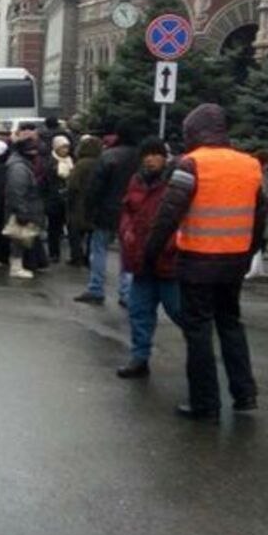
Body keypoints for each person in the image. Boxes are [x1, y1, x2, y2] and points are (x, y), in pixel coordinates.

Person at [145, 104, 265, 420]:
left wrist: (150, 252)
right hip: (234, 261)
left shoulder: (191, 165)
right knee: (231, 324)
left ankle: (205, 403)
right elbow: (260, 217)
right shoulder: (250, 164)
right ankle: (245, 394)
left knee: (198, 332)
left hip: (197, 260)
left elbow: (168, 214)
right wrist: (248, 253)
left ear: (194, 132)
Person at [116, 138, 181, 378]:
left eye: (155, 154)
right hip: (141, 260)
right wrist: (126, 231)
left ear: (165, 157)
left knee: (178, 310)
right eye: (146, 155)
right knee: (139, 311)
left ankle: (201, 354)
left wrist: (172, 244)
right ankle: (139, 358)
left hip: (168, 260)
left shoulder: (175, 182)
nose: (150, 159)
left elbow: (182, 217)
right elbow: (127, 211)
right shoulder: (137, 181)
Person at [77, 123, 140, 306]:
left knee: (99, 250)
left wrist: (89, 210)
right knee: (127, 253)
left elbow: (94, 188)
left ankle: (96, 288)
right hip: (131, 213)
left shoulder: (108, 156)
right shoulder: (141, 158)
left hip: (106, 211)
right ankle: (127, 293)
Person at [4, 135, 47, 279]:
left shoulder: (21, 165)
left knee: (23, 239)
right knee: (19, 238)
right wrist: (22, 212)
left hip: (25, 207)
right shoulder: (19, 168)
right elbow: (16, 192)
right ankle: (16, 267)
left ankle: (21, 265)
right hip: (22, 208)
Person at [66, 136, 102, 266]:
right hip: (95, 203)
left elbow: (73, 185)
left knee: (75, 233)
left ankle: (76, 257)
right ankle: (89, 257)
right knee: (92, 234)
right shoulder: (101, 162)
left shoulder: (81, 164)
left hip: (79, 202)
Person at [45, 136, 74, 263]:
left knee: (69, 227)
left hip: (68, 198)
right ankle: (54, 253)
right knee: (54, 228)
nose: (65, 150)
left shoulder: (71, 160)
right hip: (54, 199)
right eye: (63, 147)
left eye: (67, 147)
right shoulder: (50, 162)